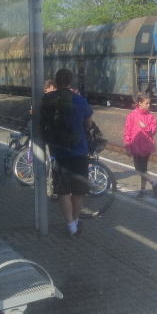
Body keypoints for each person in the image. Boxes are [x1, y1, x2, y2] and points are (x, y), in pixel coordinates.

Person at [40, 68, 93, 236]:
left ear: (55, 82)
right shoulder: (79, 100)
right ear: (71, 81)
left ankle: (70, 226)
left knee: (63, 191)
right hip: (78, 151)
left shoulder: (47, 99)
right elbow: (89, 123)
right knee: (78, 191)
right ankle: (76, 223)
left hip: (58, 152)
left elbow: (41, 121)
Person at [123, 92, 157, 198]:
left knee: (141, 170)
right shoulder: (132, 116)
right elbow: (127, 132)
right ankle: (147, 186)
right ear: (140, 103)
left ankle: (151, 183)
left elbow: (153, 130)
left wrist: (145, 127)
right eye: (146, 103)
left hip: (146, 147)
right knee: (141, 170)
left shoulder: (151, 117)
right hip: (135, 146)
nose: (149, 106)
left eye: (149, 103)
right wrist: (127, 146)